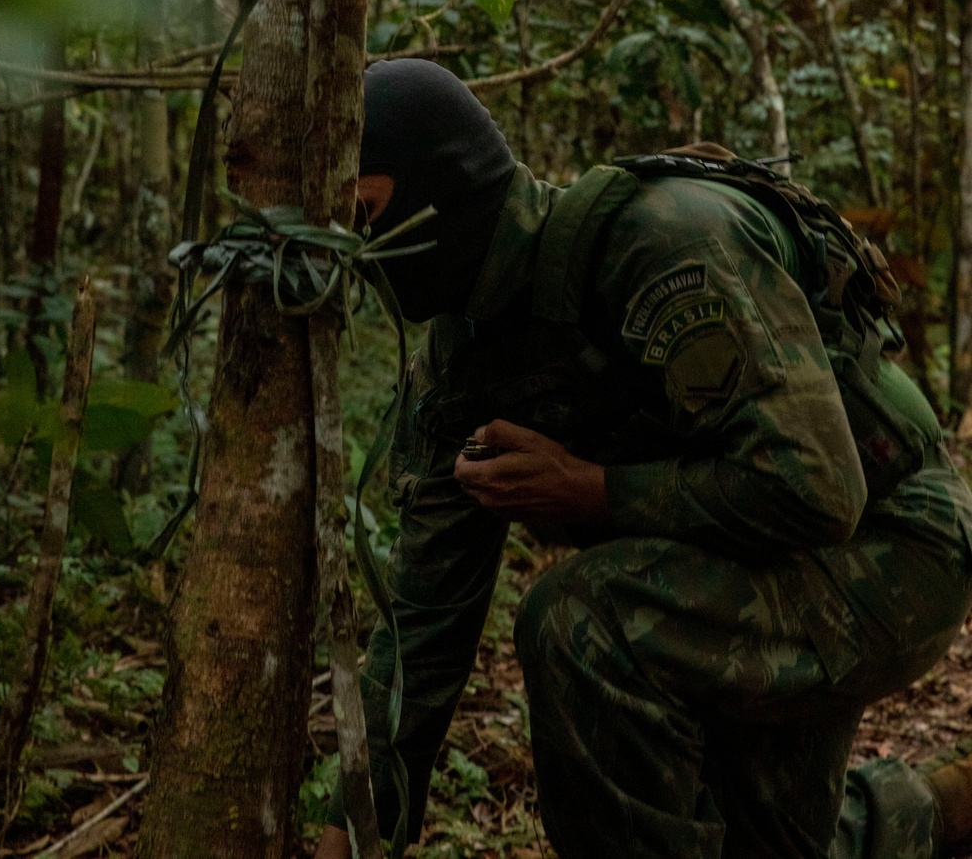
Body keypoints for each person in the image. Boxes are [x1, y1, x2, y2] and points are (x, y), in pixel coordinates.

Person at [315, 59, 972, 859]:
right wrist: (349, 829)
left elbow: (821, 488)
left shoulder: (666, 245)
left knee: (580, 621)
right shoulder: (463, 360)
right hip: (747, 566)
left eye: (366, 212)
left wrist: (593, 492)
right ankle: (935, 809)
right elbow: (423, 624)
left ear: (441, 186)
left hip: (892, 545)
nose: (359, 250)